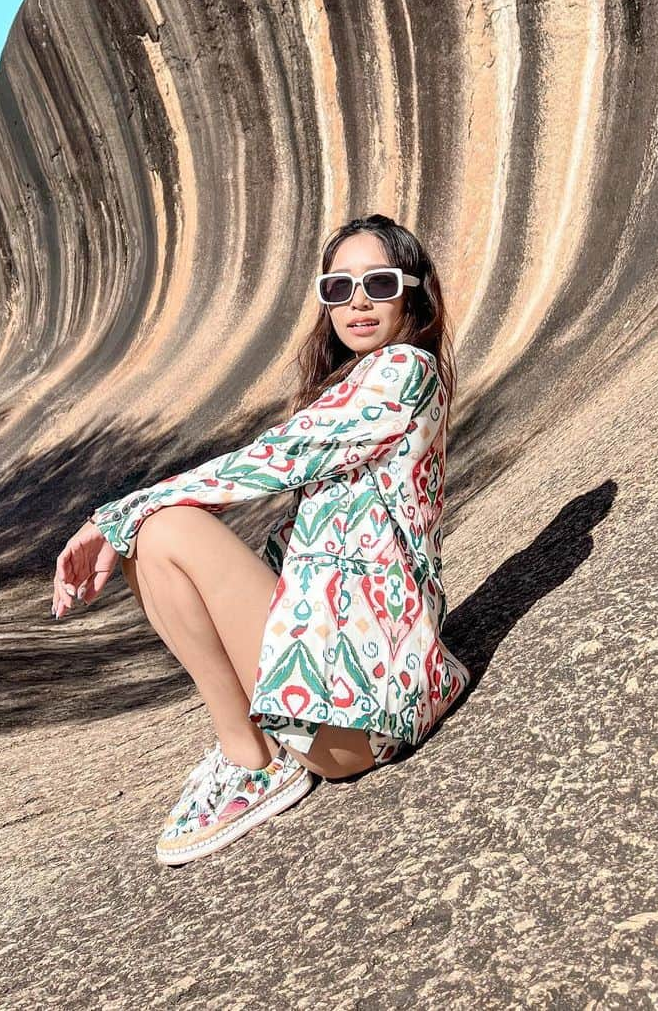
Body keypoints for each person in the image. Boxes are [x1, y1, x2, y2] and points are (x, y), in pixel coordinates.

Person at [51, 214, 471, 866]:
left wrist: (112, 514)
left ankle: (254, 761)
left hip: (361, 718)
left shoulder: (405, 371)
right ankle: (249, 751)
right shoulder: (361, 382)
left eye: (378, 283)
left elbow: (276, 458)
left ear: (412, 293)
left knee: (162, 526)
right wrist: (124, 519)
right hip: (342, 706)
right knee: (152, 533)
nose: (356, 301)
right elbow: (302, 519)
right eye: (338, 288)